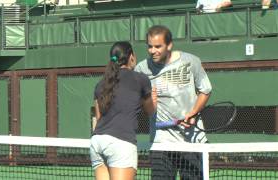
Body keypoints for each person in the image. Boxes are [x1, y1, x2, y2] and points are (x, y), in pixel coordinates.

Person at [135, 25, 212, 180]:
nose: (152, 51)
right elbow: (140, 106)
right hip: (160, 142)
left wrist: (193, 113)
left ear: (169, 45)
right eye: (150, 47)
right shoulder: (141, 69)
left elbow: (205, 90)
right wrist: (149, 103)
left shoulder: (191, 62)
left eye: (158, 46)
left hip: (191, 141)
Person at [90, 41, 157, 180]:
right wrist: (153, 100)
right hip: (121, 145)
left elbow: (98, 117)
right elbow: (150, 111)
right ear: (131, 57)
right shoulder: (141, 80)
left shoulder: (100, 84)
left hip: (97, 142)